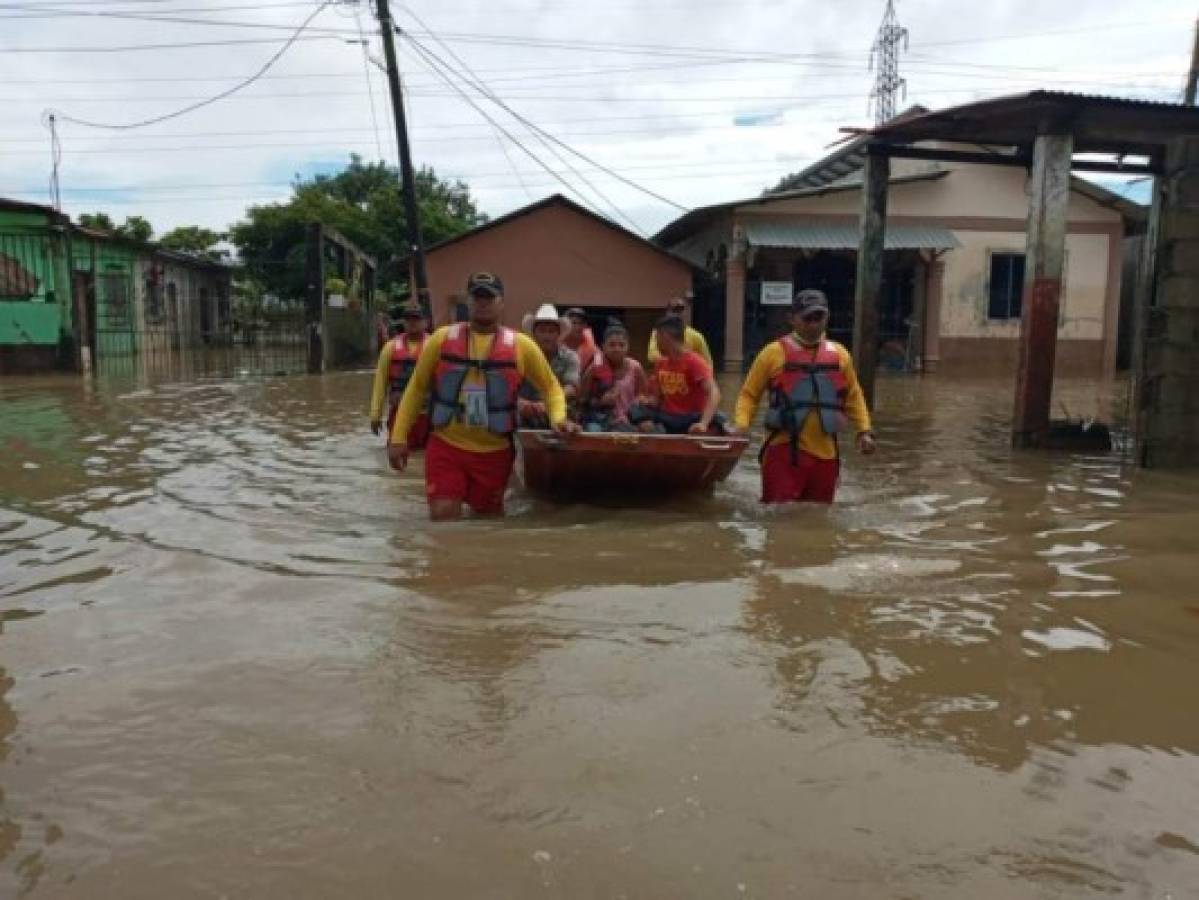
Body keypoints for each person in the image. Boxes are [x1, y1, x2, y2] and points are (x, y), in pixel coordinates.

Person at [388, 272, 578, 520]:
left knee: (488, 521)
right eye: (477, 296)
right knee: (444, 515)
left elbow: (552, 388)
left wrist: (558, 418)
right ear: (468, 301)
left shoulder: (522, 346)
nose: (483, 302)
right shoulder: (441, 339)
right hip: (447, 446)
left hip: (494, 452)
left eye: (489, 297)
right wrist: (398, 437)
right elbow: (416, 388)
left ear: (501, 302)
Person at [734, 288, 876, 505]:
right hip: (784, 452)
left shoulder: (840, 355)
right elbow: (749, 395)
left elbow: (854, 396)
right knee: (779, 520)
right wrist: (741, 426)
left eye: (819, 317)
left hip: (827, 455)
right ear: (792, 319)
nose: (814, 323)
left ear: (827, 317)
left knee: (819, 521)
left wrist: (864, 430)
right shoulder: (772, 353)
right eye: (808, 317)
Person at [631, 315, 725, 435]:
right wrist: (646, 401)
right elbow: (655, 400)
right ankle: (659, 438)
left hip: (691, 418)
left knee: (719, 419)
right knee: (635, 409)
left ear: (664, 337)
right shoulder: (660, 363)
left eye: (656, 338)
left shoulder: (694, 362)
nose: (655, 343)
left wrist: (703, 423)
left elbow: (714, 393)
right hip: (668, 417)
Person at [369, 300, 429, 447]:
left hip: (428, 415)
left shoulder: (434, 345)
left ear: (426, 322)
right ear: (403, 322)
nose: (412, 323)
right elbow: (380, 383)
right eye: (408, 319)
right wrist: (375, 414)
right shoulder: (390, 348)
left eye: (416, 319)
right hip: (399, 413)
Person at [518, 303, 580, 429]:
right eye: (542, 331)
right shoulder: (521, 355)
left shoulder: (570, 357)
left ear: (558, 334)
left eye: (551, 331)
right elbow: (510, 384)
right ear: (534, 334)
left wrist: (549, 403)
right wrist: (521, 403)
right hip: (525, 412)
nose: (547, 336)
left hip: (560, 410)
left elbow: (572, 388)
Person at [580, 321, 647, 432]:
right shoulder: (595, 367)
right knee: (593, 431)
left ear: (628, 347)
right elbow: (583, 399)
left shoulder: (635, 367)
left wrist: (637, 406)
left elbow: (643, 395)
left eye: (621, 345)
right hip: (600, 420)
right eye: (612, 345)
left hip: (630, 420)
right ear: (603, 346)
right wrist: (601, 401)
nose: (617, 349)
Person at [647, 293, 712, 368]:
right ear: (668, 312)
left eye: (681, 310)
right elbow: (651, 356)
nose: (678, 313)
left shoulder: (696, 336)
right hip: (665, 372)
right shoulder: (659, 332)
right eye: (675, 310)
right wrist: (673, 358)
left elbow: (707, 363)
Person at [562, 307, 599, 373]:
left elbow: (601, 364)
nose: (578, 327)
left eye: (581, 323)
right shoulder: (557, 344)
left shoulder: (592, 346)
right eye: (574, 323)